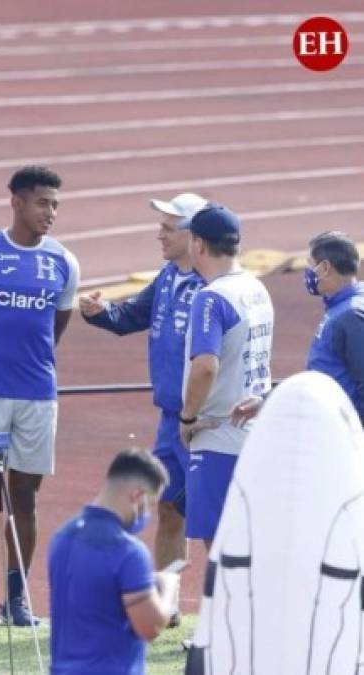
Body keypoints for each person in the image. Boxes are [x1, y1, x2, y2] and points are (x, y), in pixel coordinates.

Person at [0, 165, 80, 627]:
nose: (51, 213)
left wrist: (28, 363)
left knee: (25, 497)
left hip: (38, 395)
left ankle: (18, 602)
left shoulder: (64, 261)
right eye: (44, 203)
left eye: (56, 204)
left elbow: (55, 327)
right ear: (17, 202)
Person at [79, 192, 207, 572]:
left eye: (168, 229)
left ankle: (225, 614)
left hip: (199, 421)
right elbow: (131, 315)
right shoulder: (168, 277)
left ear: (194, 236)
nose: (160, 235)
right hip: (171, 420)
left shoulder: (213, 288)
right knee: (167, 506)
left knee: (211, 517)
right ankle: (166, 602)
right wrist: (100, 313)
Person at [178, 203, 274, 548]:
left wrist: (187, 417)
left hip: (218, 433)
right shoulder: (256, 288)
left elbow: (205, 366)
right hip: (254, 430)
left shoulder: (211, 298)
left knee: (221, 549)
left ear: (199, 245)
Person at [47, 448, 180, 675]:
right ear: (137, 495)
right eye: (149, 504)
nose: (147, 514)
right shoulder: (129, 551)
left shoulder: (62, 537)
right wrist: (168, 587)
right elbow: (150, 627)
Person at [232, 231, 364, 425]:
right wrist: (268, 399)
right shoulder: (343, 306)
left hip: (342, 432)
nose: (308, 272)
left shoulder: (349, 316)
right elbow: (320, 374)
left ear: (325, 267)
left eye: (310, 265)